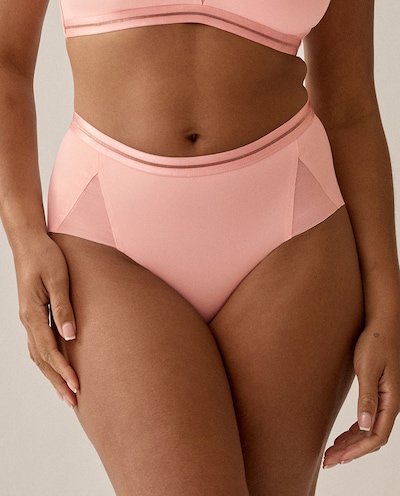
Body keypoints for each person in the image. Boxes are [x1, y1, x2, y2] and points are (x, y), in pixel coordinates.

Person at [1, 0, 399, 494]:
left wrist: (387, 310)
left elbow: (349, 107)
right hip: (107, 238)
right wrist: (24, 237)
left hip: (293, 232)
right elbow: (6, 59)